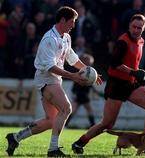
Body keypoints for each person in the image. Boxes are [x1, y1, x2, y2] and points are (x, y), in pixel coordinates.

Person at [5, 6, 102, 157]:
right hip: (46, 79)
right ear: (62, 20)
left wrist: (90, 72)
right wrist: (74, 76)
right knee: (67, 109)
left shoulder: (66, 37)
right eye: (72, 21)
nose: (73, 25)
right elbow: (50, 67)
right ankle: (53, 150)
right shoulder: (49, 39)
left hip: (54, 80)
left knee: (51, 120)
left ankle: (16, 137)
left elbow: (72, 59)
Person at [72, 14, 145, 155]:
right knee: (108, 124)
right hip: (117, 85)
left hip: (131, 84)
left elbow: (133, 63)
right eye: (134, 27)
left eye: (140, 28)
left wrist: (137, 77)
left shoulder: (142, 41)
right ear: (129, 26)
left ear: (144, 28)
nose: (136, 30)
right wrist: (133, 72)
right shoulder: (123, 41)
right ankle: (80, 142)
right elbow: (114, 64)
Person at [66, 53, 96, 128]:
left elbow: (90, 85)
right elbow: (75, 83)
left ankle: (93, 126)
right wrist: (74, 92)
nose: (89, 62)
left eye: (90, 61)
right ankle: (93, 126)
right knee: (74, 110)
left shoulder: (91, 72)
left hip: (84, 94)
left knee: (88, 110)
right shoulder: (82, 71)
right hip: (80, 93)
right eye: (88, 61)